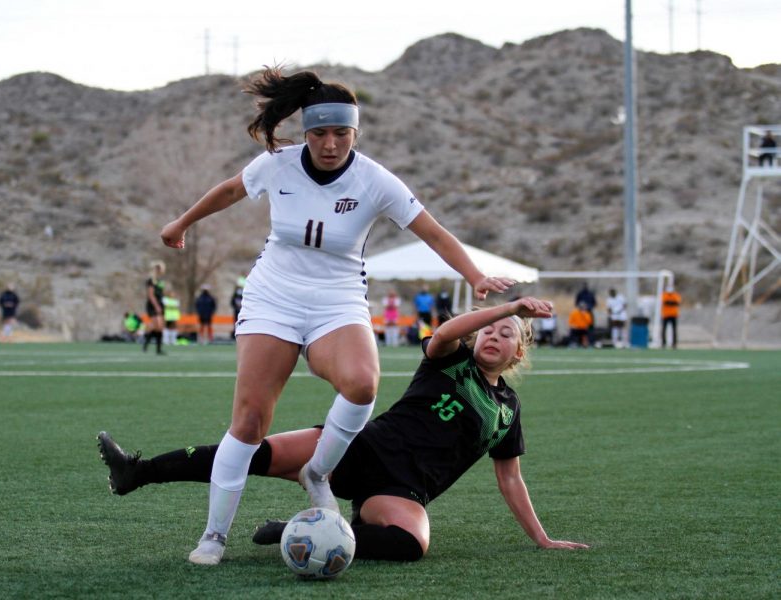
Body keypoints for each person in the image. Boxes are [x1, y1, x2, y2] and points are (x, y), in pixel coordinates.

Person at [154, 66, 514, 566]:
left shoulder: (374, 179)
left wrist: (474, 276)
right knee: (251, 421)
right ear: (305, 132)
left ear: (355, 133)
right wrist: (182, 222)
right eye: (320, 133)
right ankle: (214, 536)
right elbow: (231, 190)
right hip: (273, 298)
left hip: (337, 301)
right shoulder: (277, 164)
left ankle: (318, 472)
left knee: (363, 384)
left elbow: (432, 232)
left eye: (341, 133)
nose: (330, 143)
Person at [97, 297, 588, 561]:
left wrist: (542, 539)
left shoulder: (507, 409)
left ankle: (297, 530)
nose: (494, 337)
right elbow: (443, 334)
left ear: (518, 353)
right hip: (361, 448)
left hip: (403, 489)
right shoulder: (450, 360)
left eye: (506, 335)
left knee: (412, 545)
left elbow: (510, 479)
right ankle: (135, 472)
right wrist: (507, 308)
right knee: (252, 451)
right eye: (489, 330)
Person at [143, 261, 166, 354]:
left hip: (160, 304)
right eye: (158, 268)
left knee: (159, 327)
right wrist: (156, 306)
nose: (159, 270)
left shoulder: (160, 281)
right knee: (155, 325)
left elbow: (161, 294)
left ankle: (158, 349)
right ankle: (146, 344)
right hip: (153, 305)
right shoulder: (151, 281)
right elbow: (151, 295)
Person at [661, 284, 681, 349]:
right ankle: (663, 343)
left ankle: (674, 344)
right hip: (666, 315)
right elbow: (666, 302)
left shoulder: (675, 295)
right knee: (664, 329)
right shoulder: (664, 295)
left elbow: (677, 302)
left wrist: (671, 302)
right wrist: (671, 302)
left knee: (674, 330)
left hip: (674, 315)